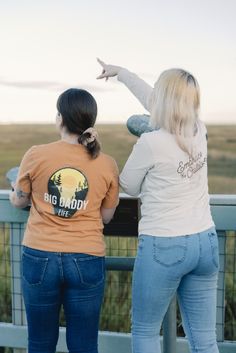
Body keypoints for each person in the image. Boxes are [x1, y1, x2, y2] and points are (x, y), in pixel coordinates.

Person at [97, 59, 219, 353]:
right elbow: (154, 100)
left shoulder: (150, 142)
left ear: (163, 101)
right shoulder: (199, 130)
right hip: (206, 241)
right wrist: (123, 74)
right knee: (205, 340)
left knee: (145, 332)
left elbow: (130, 185)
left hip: (164, 245)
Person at [10, 88, 119, 353]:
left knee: (40, 342)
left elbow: (19, 200)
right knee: (83, 344)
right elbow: (106, 216)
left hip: (40, 256)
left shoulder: (36, 154)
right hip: (87, 257)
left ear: (60, 118)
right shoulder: (107, 163)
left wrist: (17, 187)